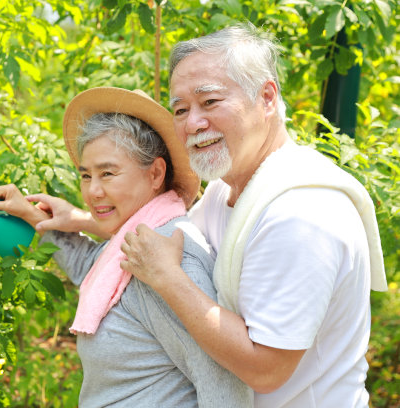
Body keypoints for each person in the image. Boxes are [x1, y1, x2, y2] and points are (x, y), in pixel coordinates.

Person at [22, 25, 388, 407]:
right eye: (180, 109)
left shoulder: (300, 216)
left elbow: (265, 368)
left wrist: (167, 278)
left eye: (210, 101)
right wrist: (80, 218)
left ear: (266, 98)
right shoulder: (225, 192)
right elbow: (156, 233)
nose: (193, 122)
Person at [0, 87, 253, 407]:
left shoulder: (169, 259)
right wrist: (31, 215)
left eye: (108, 173)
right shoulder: (138, 241)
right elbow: (90, 265)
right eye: (86, 175)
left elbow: (224, 385)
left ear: (155, 173)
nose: (93, 191)